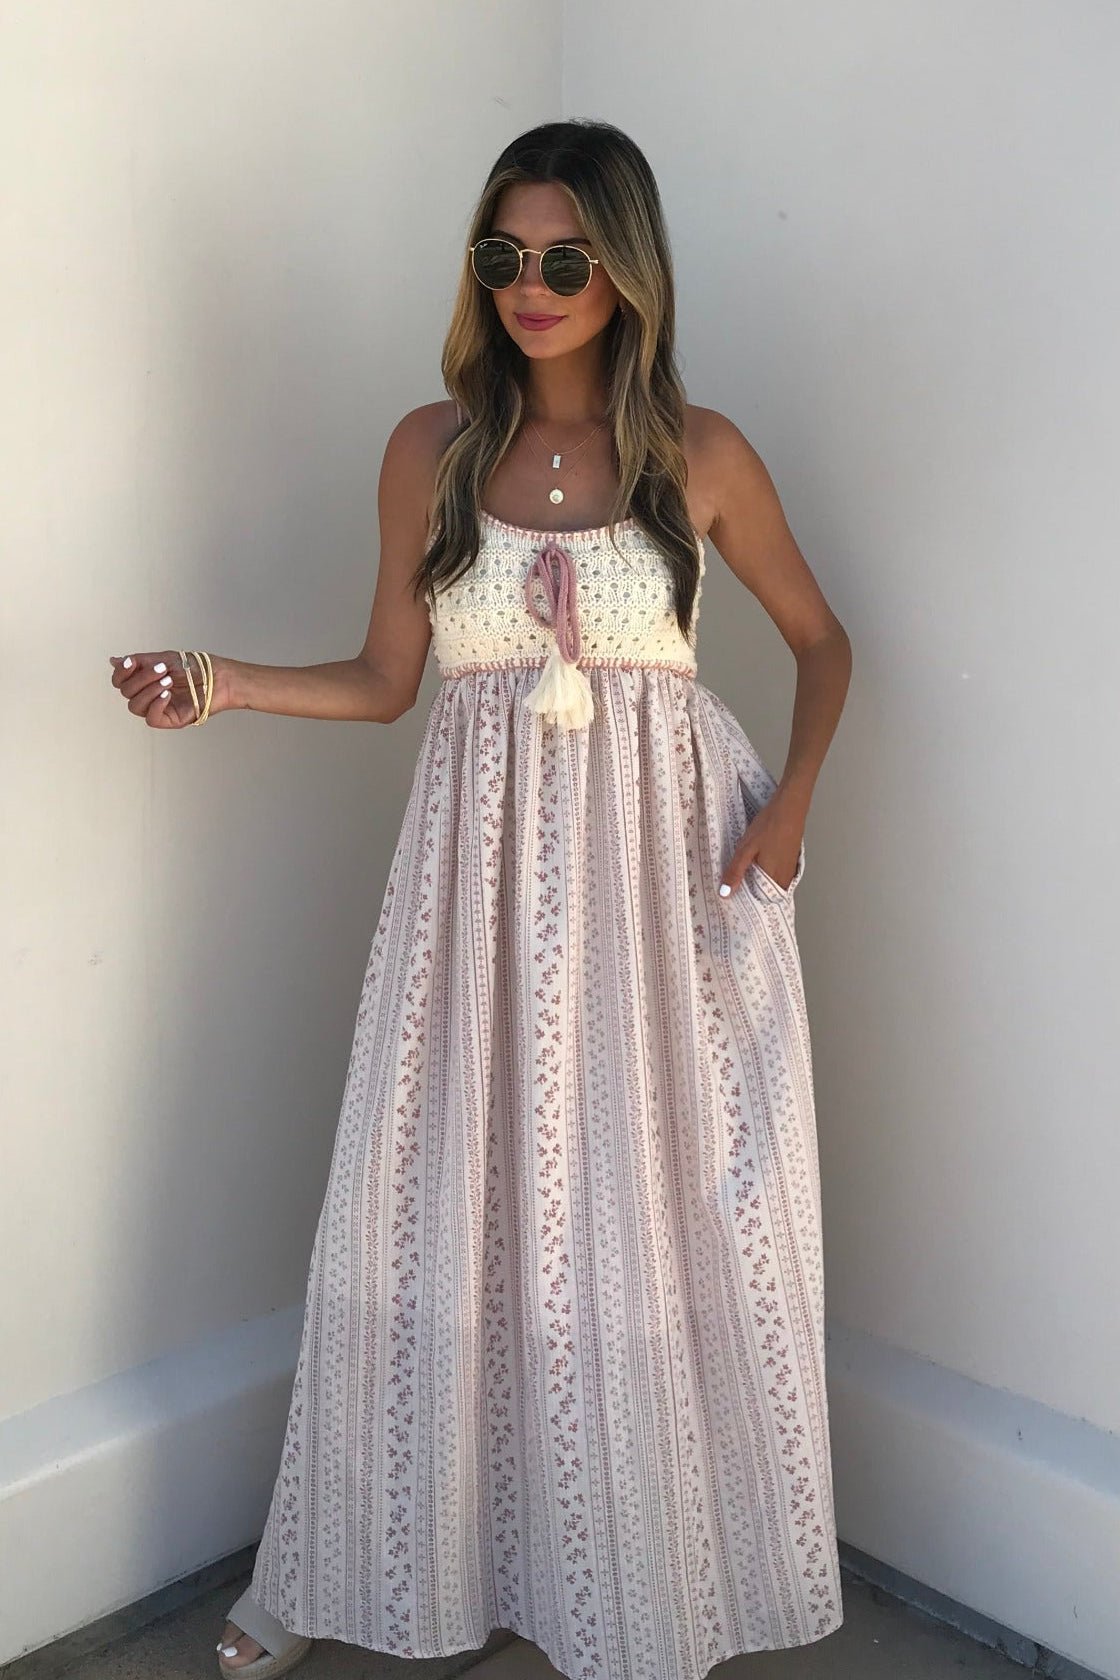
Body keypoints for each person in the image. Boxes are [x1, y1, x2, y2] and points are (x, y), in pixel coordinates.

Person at [109, 118, 852, 1680]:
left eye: (567, 260)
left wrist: (789, 806)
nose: (531, 286)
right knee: (436, 1198)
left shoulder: (702, 457)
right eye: (503, 256)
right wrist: (220, 683)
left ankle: (636, 1573)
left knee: (651, 1217)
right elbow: (392, 682)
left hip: (667, 893)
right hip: (480, 893)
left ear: (627, 273)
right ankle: (345, 1565)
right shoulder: (429, 448)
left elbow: (825, 643)